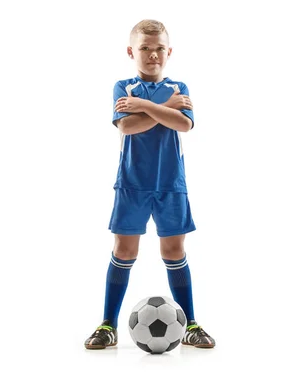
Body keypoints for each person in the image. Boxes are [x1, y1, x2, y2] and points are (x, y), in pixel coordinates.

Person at [84, 19, 215, 350]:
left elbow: (183, 124)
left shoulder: (178, 87)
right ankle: (107, 325)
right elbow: (127, 127)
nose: (153, 54)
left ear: (169, 51)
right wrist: (160, 109)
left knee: (174, 251)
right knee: (124, 251)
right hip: (132, 184)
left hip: (171, 184)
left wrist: (147, 107)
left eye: (159, 48)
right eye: (145, 48)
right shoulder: (123, 87)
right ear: (132, 51)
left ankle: (192, 324)